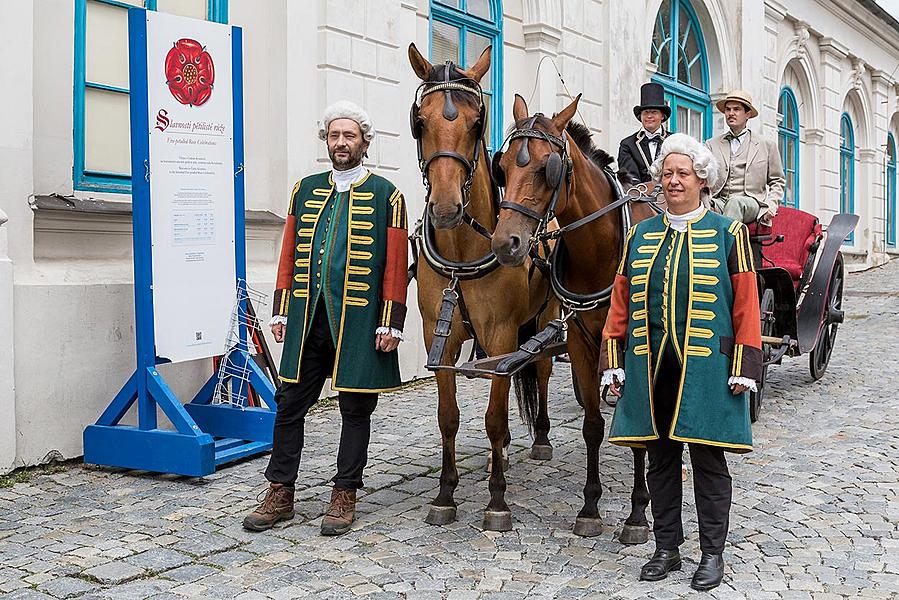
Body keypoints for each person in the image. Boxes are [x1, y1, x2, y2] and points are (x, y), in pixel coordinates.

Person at [599, 133, 762, 591]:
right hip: (653, 369)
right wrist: (614, 362)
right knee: (660, 460)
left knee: (709, 462)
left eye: (682, 174)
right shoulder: (641, 235)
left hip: (708, 370)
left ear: (702, 180)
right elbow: (621, 303)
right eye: (667, 174)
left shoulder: (728, 233)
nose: (673, 181)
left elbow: (746, 303)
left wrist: (744, 367)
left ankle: (712, 553)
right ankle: (667, 547)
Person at [242, 100, 409, 536]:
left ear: (364, 142)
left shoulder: (386, 196)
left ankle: (344, 493)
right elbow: (290, 255)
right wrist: (281, 309)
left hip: (358, 321)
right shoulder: (304, 189)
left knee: (355, 408)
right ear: (326, 141)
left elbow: (395, 264)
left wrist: (390, 320)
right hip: (308, 318)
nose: (341, 143)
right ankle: (280, 491)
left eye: (349, 136)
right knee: (289, 404)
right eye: (334, 135)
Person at [706, 90, 785, 225]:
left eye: (737, 109)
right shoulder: (711, 144)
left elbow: (777, 181)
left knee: (735, 202)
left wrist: (771, 205)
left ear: (747, 114)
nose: (731, 113)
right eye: (728, 109)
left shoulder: (766, 145)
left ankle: (725, 246)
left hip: (751, 202)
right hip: (720, 200)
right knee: (699, 205)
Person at [618, 82, 671, 184]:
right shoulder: (627, 144)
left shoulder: (675, 141)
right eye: (646, 112)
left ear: (662, 116)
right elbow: (629, 179)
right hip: (640, 197)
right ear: (640, 116)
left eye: (654, 112)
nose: (649, 116)